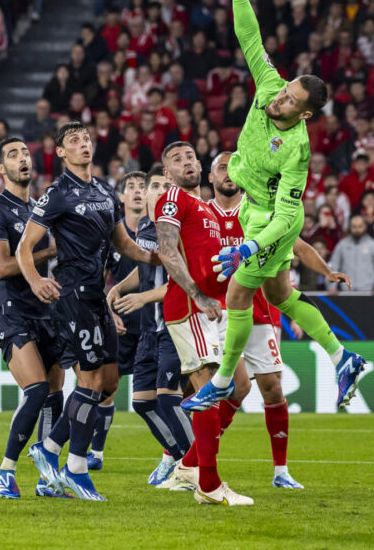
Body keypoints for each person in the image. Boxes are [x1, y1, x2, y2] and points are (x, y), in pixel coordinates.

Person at [189, 0, 366, 412]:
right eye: (284, 90)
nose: (278, 99)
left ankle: (224, 378)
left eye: (290, 101)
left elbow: (289, 218)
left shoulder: (297, 151)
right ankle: (341, 354)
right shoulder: (268, 84)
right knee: (280, 292)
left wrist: (250, 245)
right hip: (252, 204)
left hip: (270, 218)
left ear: (304, 116)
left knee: (240, 290)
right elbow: (251, 37)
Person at [19, 121, 157, 501]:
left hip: (98, 296)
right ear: (60, 152)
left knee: (109, 381)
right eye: (74, 141)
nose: (84, 144)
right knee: (91, 380)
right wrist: (35, 281)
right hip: (73, 297)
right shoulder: (57, 193)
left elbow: (124, 244)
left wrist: (154, 255)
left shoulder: (104, 191)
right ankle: (75, 466)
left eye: (87, 139)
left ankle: (47, 450)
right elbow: (24, 248)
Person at [208, 151, 350, 488]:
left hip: (259, 312)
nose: (229, 173)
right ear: (210, 176)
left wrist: (327, 271)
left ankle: (281, 471)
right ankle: (188, 458)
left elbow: (297, 247)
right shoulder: (201, 213)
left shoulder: (262, 208)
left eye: (234, 166)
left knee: (272, 388)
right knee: (229, 386)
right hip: (215, 310)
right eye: (222, 168)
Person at [153, 141, 254, 506]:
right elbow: (167, 250)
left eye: (191, 157)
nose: (187, 163)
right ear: (167, 173)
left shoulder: (207, 209)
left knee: (239, 386)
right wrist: (197, 294)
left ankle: (189, 465)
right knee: (209, 389)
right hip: (191, 307)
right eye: (177, 160)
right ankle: (209, 486)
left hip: (220, 310)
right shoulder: (172, 199)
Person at [0, 137, 68, 499]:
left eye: (26, 154)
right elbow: (1, 267)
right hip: (12, 310)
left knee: (55, 395)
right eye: (13, 155)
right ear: (1, 169)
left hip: (45, 310)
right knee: (35, 391)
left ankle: (46, 480)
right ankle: (6, 471)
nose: (23, 160)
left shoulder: (40, 209)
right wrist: (51, 248)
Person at [107, 164, 194, 488]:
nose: (153, 191)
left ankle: (194, 467)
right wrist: (119, 288)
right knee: (143, 402)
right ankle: (179, 457)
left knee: (169, 398)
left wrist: (143, 298)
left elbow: (183, 279)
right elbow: (146, 267)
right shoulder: (145, 224)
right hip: (148, 330)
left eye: (161, 186)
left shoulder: (180, 225)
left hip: (173, 325)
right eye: (151, 185)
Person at [88, 171, 148, 470]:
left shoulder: (162, 232)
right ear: (121, 197)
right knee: (106, 388)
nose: (138, 192)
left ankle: (176, 458)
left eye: (143, 187)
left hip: (156, 324)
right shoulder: (112, 237)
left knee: (168, 393)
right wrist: (109, 313)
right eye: (131, 187)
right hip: (120, 324)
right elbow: (97, 281)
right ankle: (96, 453)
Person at [328, 216, 374, 294]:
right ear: (350, 228)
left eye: (360, 226)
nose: (357, 230)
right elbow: (333, 266)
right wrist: (332, 287)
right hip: (345, 293)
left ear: (365, 227)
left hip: (368, 293)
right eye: (354, 226)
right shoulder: (342, 245)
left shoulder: (373, 245)